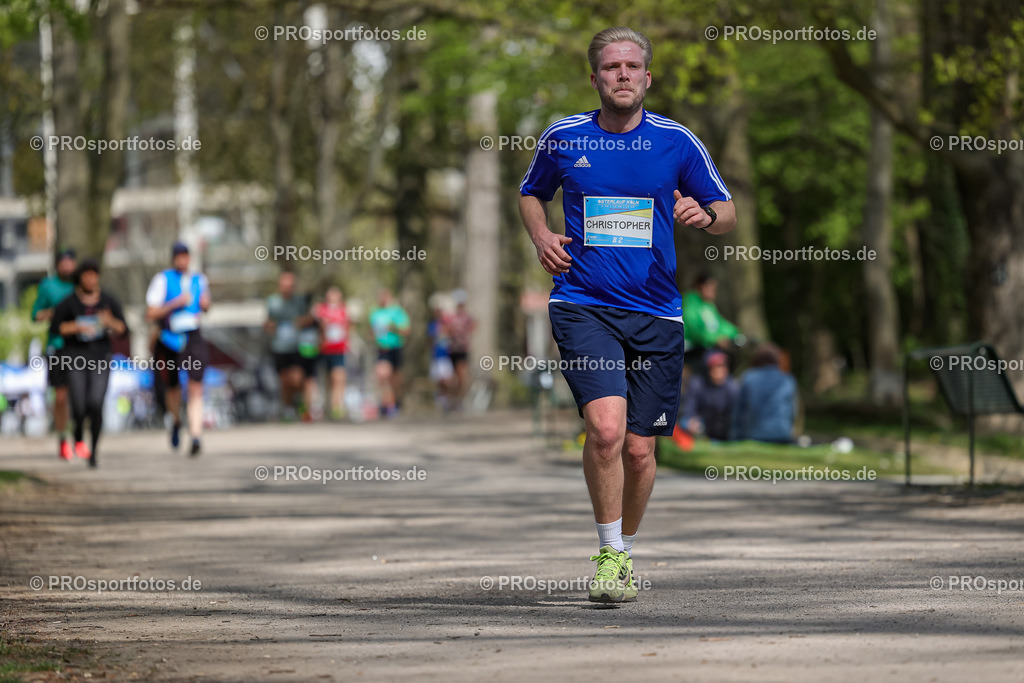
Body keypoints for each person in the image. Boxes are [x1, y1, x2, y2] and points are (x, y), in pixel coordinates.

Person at [518, 26, 736, 602]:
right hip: (583, 304)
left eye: (631, 67)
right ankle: (609, 554)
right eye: (610, 67)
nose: (621, 75)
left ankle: (627, 547)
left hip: (657, 313)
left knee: (641, 450)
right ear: (594, 79)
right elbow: (529, 191)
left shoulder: (677, 141)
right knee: (607, 431)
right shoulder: (563, 137)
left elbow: (728, 211)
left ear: (647, 77)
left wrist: (704, 215)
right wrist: (541, 236)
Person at [49, 259, 127, 468]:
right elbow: (56, 328)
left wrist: (109, 322)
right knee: (79, 405)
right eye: (86, 275)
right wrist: (77, 327)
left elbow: (123, 329)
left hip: (101, 358)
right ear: (80, 278)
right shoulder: (69, 303)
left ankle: (93, 451)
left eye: (94, 274)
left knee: (96, 403)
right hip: (76, 358)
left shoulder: (108, 301)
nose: (91, 279)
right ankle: (77, 434)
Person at [146, 242, 211, 455]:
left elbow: (207, 305)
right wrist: (174, 303)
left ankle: (195, 436)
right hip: (169, 337)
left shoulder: (199, 280)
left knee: (196, 386)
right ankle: (175, 420)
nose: (182, 260)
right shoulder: (162, 279)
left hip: (192, 335)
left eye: (185, 256)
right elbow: (151, 313)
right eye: (178, 256)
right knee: (172, 387)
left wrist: (205, 304)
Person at [31, 248, 77, 460]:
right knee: (60, 396)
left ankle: (79, 435)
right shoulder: (48, 286)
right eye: (63, 261)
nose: (66, 265)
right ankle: (62, 436)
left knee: (81, 395)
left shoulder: (81, 285)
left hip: (81, 347)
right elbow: (35, 315)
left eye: (70, 261)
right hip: (57, 345)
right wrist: (54, 313)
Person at [265, 271, 317, 421]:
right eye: (284, 286)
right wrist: (270, 327)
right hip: (279, 347)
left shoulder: (300, 301)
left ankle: (299, 402)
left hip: (296, 346)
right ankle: (288, 409)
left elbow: (310, 318)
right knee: (284, 380)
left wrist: (299, 322)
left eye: (290, 286)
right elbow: (268, 321)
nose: (286, 289)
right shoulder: (273, 302)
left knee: (297, 378)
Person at [730, 343, 797, 443]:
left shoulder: (748, 377)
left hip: (753, 434)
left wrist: (735, 436)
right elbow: (792, 411)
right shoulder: (787, 380)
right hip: (782, 433)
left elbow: (739, 410)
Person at [681, 273, 739, 372]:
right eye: (711, 288)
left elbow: (720, 324)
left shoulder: (708, 305)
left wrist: (736, 333)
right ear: (700, 286)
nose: (714, 292)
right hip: (691, 350)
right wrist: (716, 340)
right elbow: (694, 328)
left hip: (706, 348)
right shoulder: (690, 301)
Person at [678, 351, 738, 441]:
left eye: (722, 366)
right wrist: (692, 422)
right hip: (701, 428)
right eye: (715, 366)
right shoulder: (697, 384)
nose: (719, 370)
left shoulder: (732, 387)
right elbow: (688, 411)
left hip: (726, 431)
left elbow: (737, 415)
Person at [369, 288, 410, 418]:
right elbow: (371, 331)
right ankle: (386, 404)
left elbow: (406, 331)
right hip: (382, 348)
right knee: (382, 375)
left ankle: (395, 402)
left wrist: (392, 327)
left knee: (395, 379)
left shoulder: (397, 312)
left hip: (396, 347)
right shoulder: (375, 313)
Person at [313, 286, 349, 421]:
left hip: (339, 350)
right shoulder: (321, 309)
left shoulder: (344, 310)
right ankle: (328, 407)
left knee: (338, 378)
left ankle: (337, 407)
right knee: (328, 380)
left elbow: (347, 327)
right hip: (325, 350)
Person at [443, 290, 476, 408]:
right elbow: (445, 330)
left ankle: (461, 399)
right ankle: (452, 398)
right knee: (452, 377)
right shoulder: (450, 317)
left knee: (461, 375)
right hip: (452, 349)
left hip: (463, 349)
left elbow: (473, 327)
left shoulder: (468, 317)